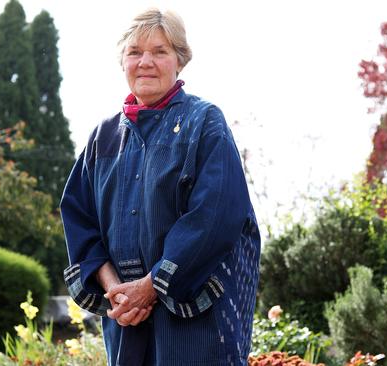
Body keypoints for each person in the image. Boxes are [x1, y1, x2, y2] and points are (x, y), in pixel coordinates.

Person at [61, 8, 260, 366]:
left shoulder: (204, 123)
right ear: (122, 61)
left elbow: (214, 218)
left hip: (194, 315)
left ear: (180, 61)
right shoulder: (104, 136)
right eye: (135, 52)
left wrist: (150, 287)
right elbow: (80, 219)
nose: (146, 62)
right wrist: (116, 292)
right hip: (126, 316)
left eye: (160, 51)